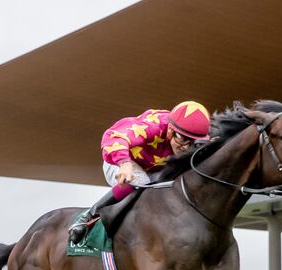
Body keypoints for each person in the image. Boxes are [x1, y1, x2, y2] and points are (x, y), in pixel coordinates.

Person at [68, 101, 211, 243]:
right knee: (141, 182)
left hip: (154, 169)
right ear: (170, 130)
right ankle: (88, 217)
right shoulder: (152, 126)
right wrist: (124, 163)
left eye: (193, 142)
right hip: (120, 161)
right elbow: (112, 136)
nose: (186, 147)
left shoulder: (196, 141)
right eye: (182, 138)